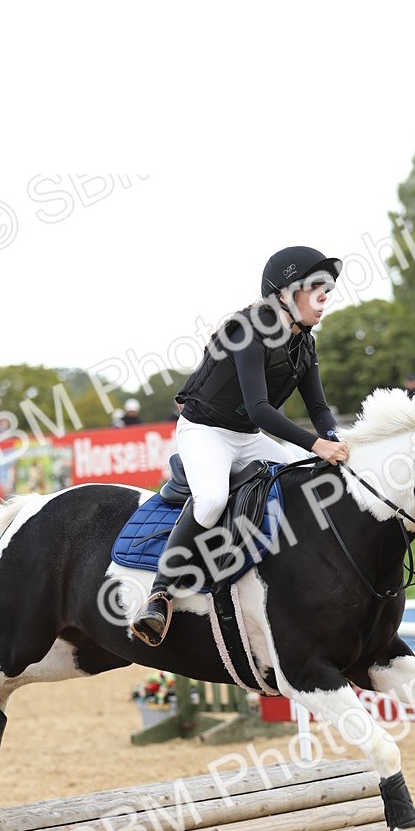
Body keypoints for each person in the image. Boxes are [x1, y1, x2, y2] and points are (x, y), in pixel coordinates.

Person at [130, 244, 350, 646]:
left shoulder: (305, 343)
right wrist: (316, 445)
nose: (324, 298)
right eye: (315, 287)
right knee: (211, 502)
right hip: (205, 432)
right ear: (284, 293)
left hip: (247, 438)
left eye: (328, 289)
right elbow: (260, 409)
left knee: (310, 482)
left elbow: (318, 407)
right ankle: (160, 595)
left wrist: (336, 442)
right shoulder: (246, 329)